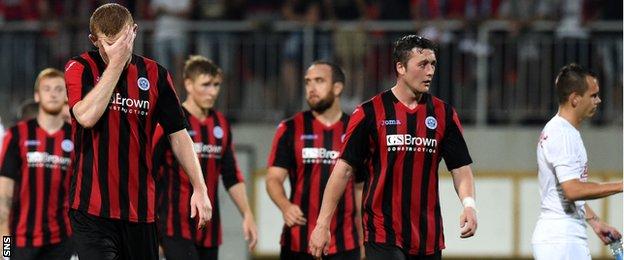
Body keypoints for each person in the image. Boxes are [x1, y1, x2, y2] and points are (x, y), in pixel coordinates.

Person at [63, 3, 212, 260]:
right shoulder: (80, 68)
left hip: (140, 211)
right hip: (91, 210)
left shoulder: (156, 75)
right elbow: (86, 116)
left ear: (134, 32)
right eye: (108, 44)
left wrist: (200, 187)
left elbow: (178, 134)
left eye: (122, 41)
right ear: (93, 40)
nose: (115, 50)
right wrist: (116, 65)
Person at [309, 35, 478, 260]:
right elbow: (344, 170)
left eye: (433, 64)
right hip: (382, 233)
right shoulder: (369, 112)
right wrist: (322, 224)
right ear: (400, 67)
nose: (430, 72)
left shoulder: (444, 114)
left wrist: (469, 205)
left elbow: (460, 168)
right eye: (422, 64)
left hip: (428, 237)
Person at [153, 55, 258, 260]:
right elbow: (149, 169)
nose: (212, 91)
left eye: (216, 85)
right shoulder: (170, 120)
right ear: (189, 84)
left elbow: (231, 175)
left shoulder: (221, 124)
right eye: (206, 84)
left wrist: (247, 214)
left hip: (210, 227)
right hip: (174, 224)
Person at [266, 61, 364, 260]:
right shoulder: (290, 128)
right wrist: (285, 206)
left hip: (345, 244)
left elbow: (360, 188)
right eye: (307, 82)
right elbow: (273, 179)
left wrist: (363, 239)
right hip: (298, 241)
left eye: (319, 81)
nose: (311, 88)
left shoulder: (356, 130)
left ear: (337, 88)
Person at [532, 63, 623, 260]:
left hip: (560, 237)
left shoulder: (561, 130)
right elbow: (573, 190)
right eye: (593, 95)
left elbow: (565, 190)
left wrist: (595, 222)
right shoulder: (563, 135)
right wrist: (620, 185)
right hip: (562, 240)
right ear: (575, 99)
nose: (598, 100)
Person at [0, 68, 73, 260]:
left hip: (62, 241)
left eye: (59, 89)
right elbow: (3, 197)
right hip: (21, 240)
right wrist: (4, 251)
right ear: (37, 96)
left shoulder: (77, 138)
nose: (53, 93)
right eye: (47, 88)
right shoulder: (17, 135)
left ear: (67, 96)